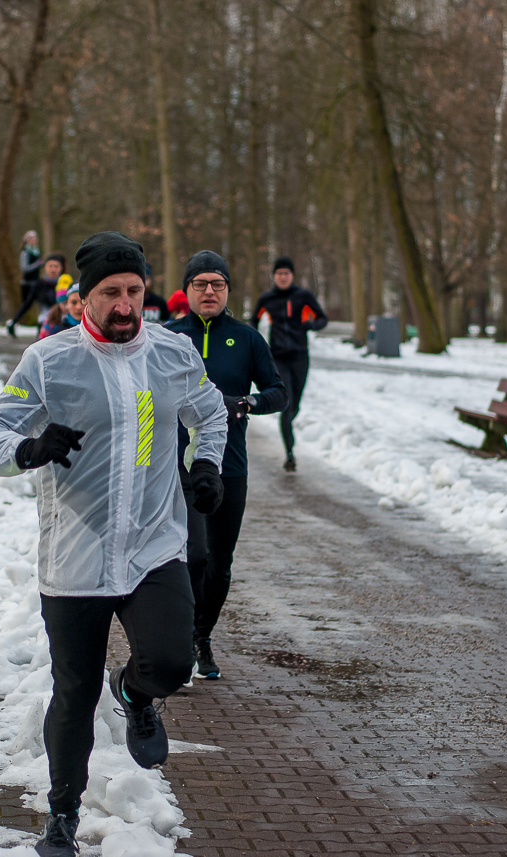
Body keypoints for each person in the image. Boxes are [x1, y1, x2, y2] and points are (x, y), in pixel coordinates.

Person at [0, 231, 227, 857]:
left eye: (134, 291)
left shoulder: (172, 354)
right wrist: (25, 450)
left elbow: (209, 412)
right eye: (111, 292)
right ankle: (61, 817)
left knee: (169, 663)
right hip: (76, 554)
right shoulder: (50, 362)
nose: (125, 304)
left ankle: (135, 694)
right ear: (85, 296)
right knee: (73, 692)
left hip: (151, 545)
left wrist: (209, 465)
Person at [167, 250, 287, 681]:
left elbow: (279, 392)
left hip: (229, 465)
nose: (209, 291)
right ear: (187, 290)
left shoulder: (248, 338)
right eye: (200, 284)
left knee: (219, 563)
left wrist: (248, 402)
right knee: (192, 556)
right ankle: (180, 637)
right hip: (176, 465)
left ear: (228, 290)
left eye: (218, 283)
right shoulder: (166, 337)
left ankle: (202, 636)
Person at [253, 256, 327, 471]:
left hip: (300, 355)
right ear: (274, 276)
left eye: (286, 273)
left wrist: (311, 324)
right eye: (279, 274)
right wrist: (255, 341)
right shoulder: (267, 298)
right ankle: (290, 454)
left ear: (292, 275)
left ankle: (288, 424)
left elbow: (322, 319)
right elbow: (253, 321)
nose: (283, 277)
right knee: (286, 404)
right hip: (278, 357)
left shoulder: (302, 296)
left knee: (296, 405)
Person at [9, 253, 65, 339]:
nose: (53, 269)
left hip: (63, 326)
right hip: (43, 325)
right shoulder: (38, 285)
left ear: (61, 268)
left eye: (56, 266)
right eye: (50, 266)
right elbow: (27, 304)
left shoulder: (66, 285)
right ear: (45, 267)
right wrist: (14, 321)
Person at [9, 231, 44, 338]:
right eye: (31, 239)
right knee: (26, 306)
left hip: (36, 283)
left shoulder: (36, 252)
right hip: (28, 284)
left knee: (43, 305)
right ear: (27, 241)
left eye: (35, 238)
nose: (33, 241)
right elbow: (25, 268)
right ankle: (12, 324)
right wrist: (37, 264)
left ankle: (41, 329)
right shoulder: (25, 253)